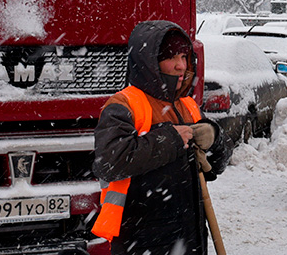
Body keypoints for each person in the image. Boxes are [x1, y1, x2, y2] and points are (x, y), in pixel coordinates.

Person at [92, 21, 227, 255]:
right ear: (150, 62)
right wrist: (170, 140)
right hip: (143, 239)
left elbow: (217, 164)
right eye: (171, 57)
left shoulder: (188, 106)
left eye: (184, 57)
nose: (180, 66)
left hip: (191, 237)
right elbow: (109, 163)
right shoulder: (124, 105)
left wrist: (215, 139)